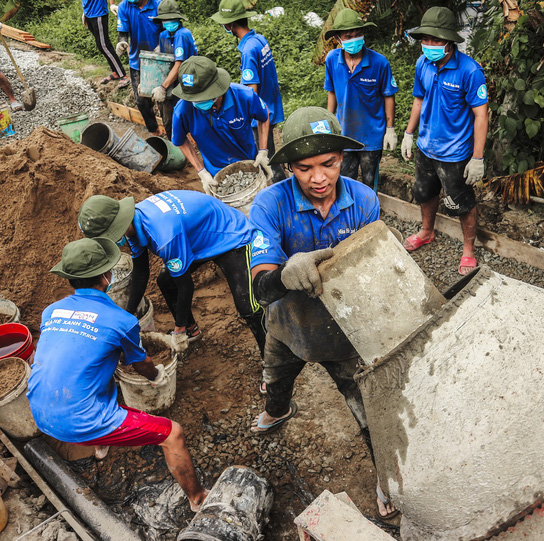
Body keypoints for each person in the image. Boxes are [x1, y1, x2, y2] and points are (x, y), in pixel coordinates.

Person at [248, 106, 397, 519]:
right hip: (288, 325)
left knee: (370, 411)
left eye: (328, 164)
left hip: (344, 331)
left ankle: (389, 477)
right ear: (289, 168)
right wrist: (285, 273)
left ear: (342, 159)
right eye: (304, 167)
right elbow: (261, 288)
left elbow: (373, 273)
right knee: (276, 376)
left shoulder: (364, 200)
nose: (318, 178)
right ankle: (277, 410)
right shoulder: (268, 206)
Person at [27, 238, 207, 510]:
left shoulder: (51, 311)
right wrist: (156, 376)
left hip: (40, 413)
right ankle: (198, 498)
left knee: (95, 370)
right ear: (106, 276)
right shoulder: (121, 320)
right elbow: (141, 365)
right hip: (78, 421)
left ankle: (100, 445)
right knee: (173, 434)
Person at [77, 190, 267, 357]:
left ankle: (272, 362)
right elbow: (141, 273)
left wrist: (178, 330)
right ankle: (192, 330)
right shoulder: (133, 222)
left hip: (231, 236)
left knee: (248, 307)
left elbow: (186, 286)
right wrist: (128, 314)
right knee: (166, 281)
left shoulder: (165, 236)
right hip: (197, 238)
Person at [400, 7, 489, 276]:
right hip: (426, 147)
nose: (429, 45)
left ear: (450, 42)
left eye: (436, 41)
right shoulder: (422, 64)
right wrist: (408, 133)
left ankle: (469, 249)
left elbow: (481, 115)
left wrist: (477, 158)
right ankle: (427, 231)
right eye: (425, 40)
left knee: (461, 202)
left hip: (455, 153)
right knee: (424, 193)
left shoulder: (470, 71)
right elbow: (418, 99)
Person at [170, 56, 272, 195]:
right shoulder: (182, 110)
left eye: (201, 97)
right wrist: (201, 172)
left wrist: (263, 151)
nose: (197, 102)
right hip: (216, 177)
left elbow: (263, 115)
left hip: (251, 164)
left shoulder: (243, 96)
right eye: (193, 98)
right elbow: (180, 140)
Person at [323, 8, 398, 191]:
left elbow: (388, 96)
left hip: (371, 137)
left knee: (369, 181)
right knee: (345, 181)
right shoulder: (332, 59)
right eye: (348, 36)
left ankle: (369, 216)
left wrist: (390, 129)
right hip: (344, 133)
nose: (354, 39)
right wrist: (328, 121)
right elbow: (331, 91)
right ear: (339, 39)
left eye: (358, 34)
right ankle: (349, 216)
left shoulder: (379, 63)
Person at [211, 0, 286, 182]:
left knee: (265, 158)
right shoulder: (259, 39)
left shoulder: (248, 50)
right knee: (271, 155)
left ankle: (282, 191)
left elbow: (251, 90)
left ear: (230, 24)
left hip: (261, 113)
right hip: (271, 105)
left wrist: (245, 116)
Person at [115, 0, 163, 135]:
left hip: (159, 60)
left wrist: (163, 46)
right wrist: (122, 42)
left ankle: (173, 134)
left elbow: (168, 30)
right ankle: (155, 131)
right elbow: (123, 32)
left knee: (163, 100)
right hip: (137, 60)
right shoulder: (124, 6)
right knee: (142, 101)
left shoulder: (158, 5)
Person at [151, 0, 197, 138]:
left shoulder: (182, 34)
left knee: (183, 114)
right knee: (167, 116)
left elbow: (179, 64)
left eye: (172, 19)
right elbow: (163, 61)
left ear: (178, 18)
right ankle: (175, 145)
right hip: (172, 78)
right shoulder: (163, 35)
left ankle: (186, 141)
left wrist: (163, 87)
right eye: (165, 19)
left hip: (187, 78)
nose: (169, 22)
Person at [82, 0, 129, 88]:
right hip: (89, 13)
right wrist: (85, 12)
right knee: (101, 46)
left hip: (98, 13)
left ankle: (123, 75)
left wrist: (112, 4)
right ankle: (115, 73)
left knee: (104, 46)